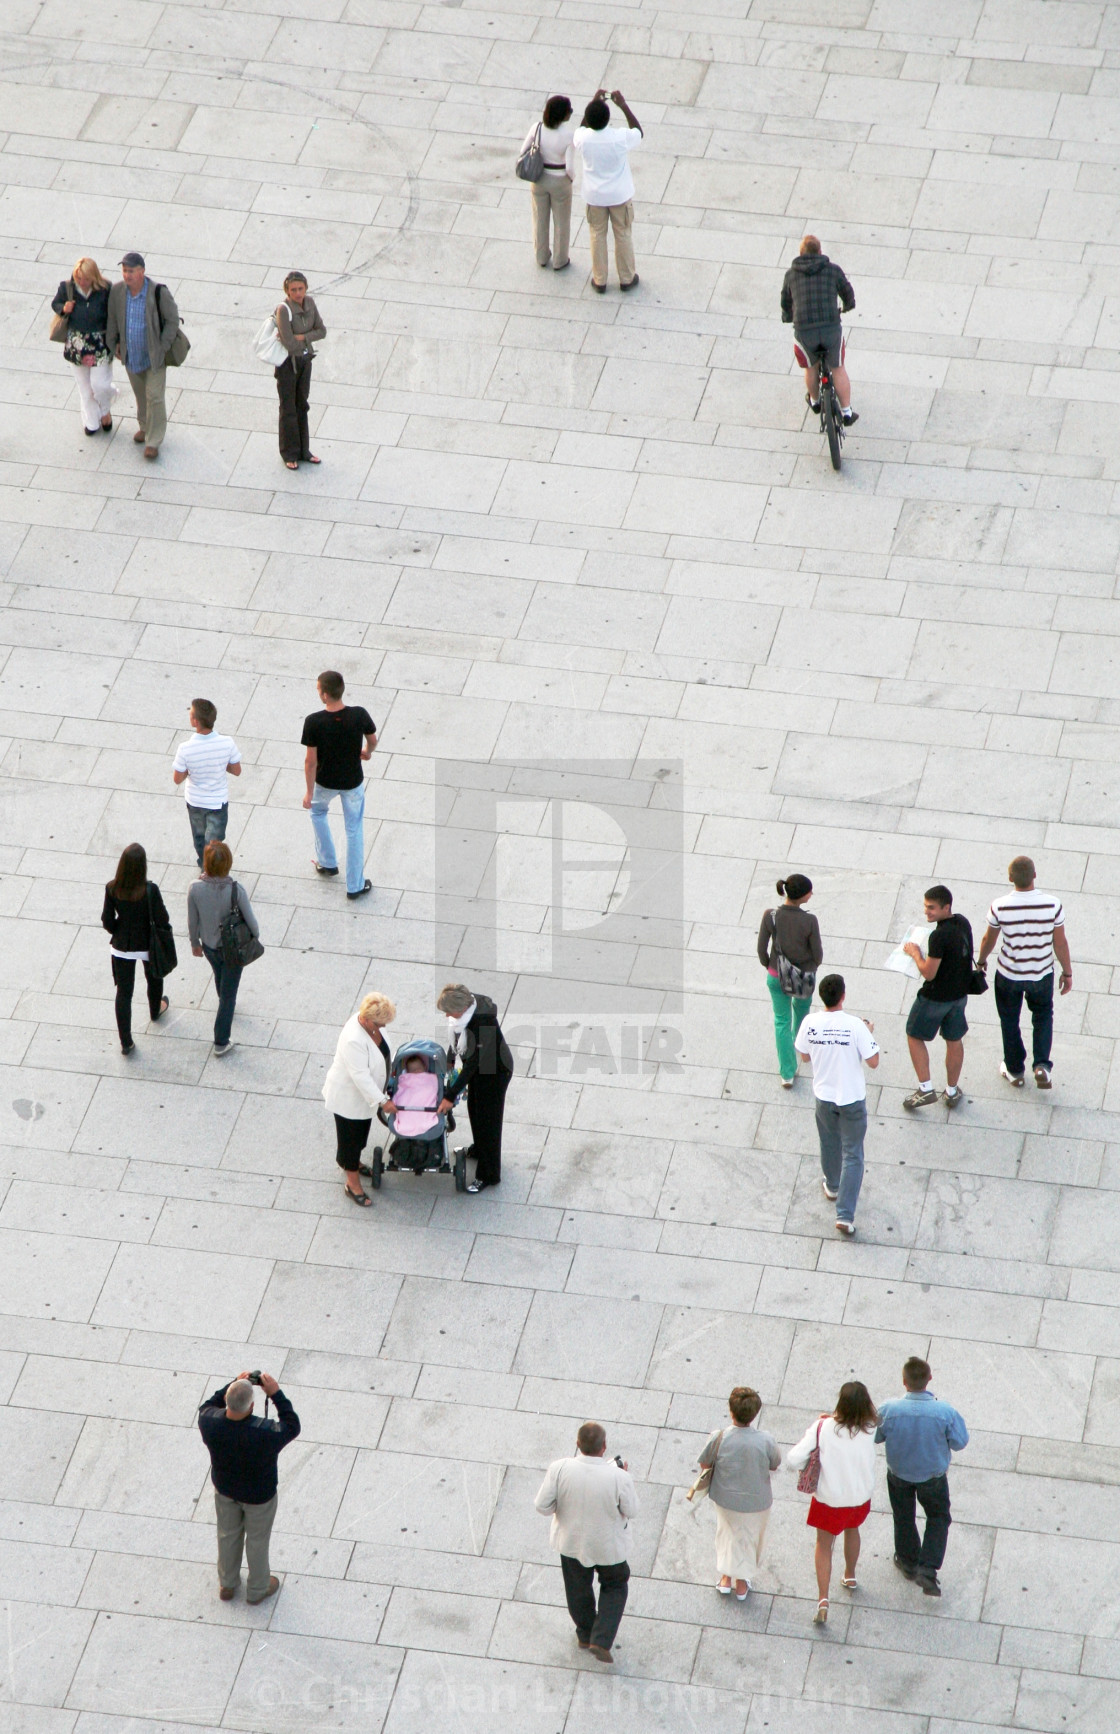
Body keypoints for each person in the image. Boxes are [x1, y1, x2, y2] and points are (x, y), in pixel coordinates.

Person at [534, 1421, 638, 1664]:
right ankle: (601, 1639)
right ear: (604, 1447)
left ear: (578, 1444)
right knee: (615, 1584)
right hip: (608, 1545)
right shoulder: (618, 1476)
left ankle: (584, 1633)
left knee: (577, 1588)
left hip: (571, 1543)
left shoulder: (559, 1468)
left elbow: (542, 1505)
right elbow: (631, 1510)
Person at [197, 1372, 300, 1605]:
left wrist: (233, 1383)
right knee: (257, 1540)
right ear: (252, 1405)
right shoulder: (265, 1433)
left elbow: (207, 1405)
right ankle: (257, 1589)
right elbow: (292, 1425)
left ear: (226, 1401)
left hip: (225, 1489)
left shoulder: (209, 1422)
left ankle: (227, 1583)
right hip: (259, 1496)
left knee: (227, 1534)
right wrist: (275, 1393)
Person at [875, 1356, 969, 1599]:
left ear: (904, 1381)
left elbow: (874, 1436)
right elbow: (960, 1442)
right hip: (933, 1477)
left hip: (899, 1475)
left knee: (903, 1517)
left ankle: (907, 1562)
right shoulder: (945, 1412)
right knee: (938, 1518)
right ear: (929, 1378)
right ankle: (928, 1568)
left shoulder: (889, 1410)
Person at [794, 973, 879, 1236]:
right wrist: (868, 1032)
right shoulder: (856, 1026)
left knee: (829, 1143)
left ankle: (832, 1185)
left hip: (824, 1097)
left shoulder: (810, 1022)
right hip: (852, 1100)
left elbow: (805, 1057)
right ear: (843, 996)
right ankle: (844, 1215)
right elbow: (874, 1061)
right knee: (853, 1153)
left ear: (822, 997)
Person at [786, 1381, 877, 1626]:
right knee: (852, 1530)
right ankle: (850, 1575)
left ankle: (823, 1600)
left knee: (823, 1545)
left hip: (829, 1499)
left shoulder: (823, 1427)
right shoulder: (871, 1428)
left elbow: (793, 1459)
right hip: (859, 1498)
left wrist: (824, 1423)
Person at [977, 856, 1072, 1090]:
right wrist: (1067, 973)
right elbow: (1059, 943)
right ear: (1035, 875)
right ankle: (1041, 1065)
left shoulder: (999, 906)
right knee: (1042, 1016)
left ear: (1010, 878)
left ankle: (1015, 1070)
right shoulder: (1052, 904)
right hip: (1041, 974)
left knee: (1009, 1020)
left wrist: (980, 962)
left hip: (1009, 974)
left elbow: (989, 938)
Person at [697, 1387, 781, 1600]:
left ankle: (725, 1579)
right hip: (757, 1500)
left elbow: (705, 1463)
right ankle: (741, 1583)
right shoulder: (765, 1440)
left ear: (731, 1410)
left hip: (725, 1498)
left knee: (727, 1534)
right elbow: (775, 1464)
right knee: (750, 1539)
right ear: (754, 1414)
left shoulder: (719, 1437)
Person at [301, 670, 376, 900]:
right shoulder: (359, 715)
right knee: (354, 830)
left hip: (325, 782)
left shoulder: (314, 722)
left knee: (318, 812)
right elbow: (372, 739)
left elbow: (310, 761)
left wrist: (309, 791)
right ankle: (355, 886)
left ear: (324, 695)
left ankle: (327, 863)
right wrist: (367, 753)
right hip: (352, 782)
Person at [901, 885, 973, 1110]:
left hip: (935, 998)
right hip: (959, 996)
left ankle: (925, 1089)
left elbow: (928, 972)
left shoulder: (938, 936)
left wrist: (915, 954)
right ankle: (951, 1092)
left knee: (914, 1035)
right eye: (925, 907)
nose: (926, 912)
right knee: (954, 1040)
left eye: (931, 908)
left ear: (946, 907)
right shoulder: (963, 922)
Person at [436, 983, 513, 1194]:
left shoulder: (483, 1022)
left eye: (448, 1012)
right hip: (481, 1069)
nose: (446, 1016)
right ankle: (479, 1149)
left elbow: (473, 1064)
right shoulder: (466, 1009)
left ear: (460, 1009)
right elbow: (457, 1040)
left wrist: (450, 1095)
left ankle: (489, 1174)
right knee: (475, 1110)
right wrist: (451, 1059)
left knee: (489, 1122)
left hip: (494, 1072)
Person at [321, 992, 395, 1207]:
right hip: (349, 1099)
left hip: (364, 1099)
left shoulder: (371, 1024)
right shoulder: (354, 1038)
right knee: (350, 1141)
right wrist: (383, 1101)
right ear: (367, 1019)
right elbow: (360, 1077)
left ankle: (350, 1162)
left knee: (360, 1137)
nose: (383, 1026)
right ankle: (352, 1184)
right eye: (381, 1023)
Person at [104, 252, 180, 460]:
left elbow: (173, 320)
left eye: (131, 271)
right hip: (131, 355)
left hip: (154, 357)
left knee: (154, 396)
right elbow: (112, 319)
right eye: (124, 271)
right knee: (140, 395)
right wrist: (113, 344)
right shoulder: (118, 291)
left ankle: (153, 441)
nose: (127, 275)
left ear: (142, 271)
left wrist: (163, 346)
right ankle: (145, 426)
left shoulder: (157, 292)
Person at [187, 841, 259, 1056]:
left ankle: (224, 1001)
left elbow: (192, 921)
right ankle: (221, 1041)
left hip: (209, 946)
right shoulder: (236, 890)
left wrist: (194, 943)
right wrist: (253, 937)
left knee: (220, 975)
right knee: (229, 995)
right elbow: (254, 926)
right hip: (233, 949)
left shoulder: (195, 888)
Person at [101, 843, 172, 1055]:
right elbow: (163, 917)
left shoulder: (112, 888)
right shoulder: (150, 890)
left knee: (124, 993)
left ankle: (126, 1042)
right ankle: (155, 1010)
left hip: (122, 946)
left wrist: (118, 930)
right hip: (148, 944)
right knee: (154, 978)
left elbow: (107, 920)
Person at [780, 236, 857, 425]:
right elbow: (848, 293)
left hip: (805, 331)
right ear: (820, 252)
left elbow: (785, 302)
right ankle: (846, 412)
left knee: (810, 368)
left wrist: (788, 317)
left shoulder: (791, 275)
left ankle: (815, 401)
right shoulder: (833, 270)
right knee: (838, 368)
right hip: (830, 328)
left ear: (800, 253)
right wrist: (847, 306)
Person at [573, 89, 642, 293]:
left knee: (597, 235)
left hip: (594, 196)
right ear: (608, 118)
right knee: (622, 234)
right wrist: (623, 105)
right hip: (619, 195)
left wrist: (593, 102)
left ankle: (600, 279)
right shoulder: (619, 138)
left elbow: (580, 128)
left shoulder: (584, 138)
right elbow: (638, 131)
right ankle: (627, 277)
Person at [757, 874, 822, 1088]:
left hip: (776, 977)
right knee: (802, 1011)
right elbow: (818, 955)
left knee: (781, 1021)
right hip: (803, 978)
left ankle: (787, 1073)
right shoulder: (809, 920)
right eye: (810, 891)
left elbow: (761, 949)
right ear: (803, 896)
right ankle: (800, 1043)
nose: (811, 894)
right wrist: (809, 968)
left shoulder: (771, 916)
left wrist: (771, 966)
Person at [172, 698, 242, 869]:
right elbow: (237, 770)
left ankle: (206, 868)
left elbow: (177, 779)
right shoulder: (227, 743)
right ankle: (210, 868)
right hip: (218, 803)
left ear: (195, 721)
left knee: (199, 840)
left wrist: (190, 769)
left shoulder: (185, 749)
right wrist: (219, 762)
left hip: (195, 802)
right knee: (214, 843)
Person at [51, 257, 116, 436]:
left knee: (100, 385)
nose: (82, 282)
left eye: (86, 278)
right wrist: (64, 308)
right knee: (85, 388)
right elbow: (55, 304)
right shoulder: (67, 288)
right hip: (77, 344)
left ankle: (104, 409)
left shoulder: (105, 289)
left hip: (100, 344)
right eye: (79, 277)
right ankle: (91, 422)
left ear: (94, 276)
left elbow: (114, 314)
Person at [275, 271, 325, 470]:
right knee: (288, 408)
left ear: (306, 288)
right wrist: (303, 340)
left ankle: (304, 451)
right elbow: (287, 342)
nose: (297, 293)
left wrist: (301, 337)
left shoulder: (310, 303)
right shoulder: (283, 310)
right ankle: (289, 452)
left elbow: (322, 331)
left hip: (305, 361)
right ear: (287, 290)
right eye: (293, 290)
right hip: (288, 364)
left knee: (302, 405)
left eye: (300, 289)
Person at [524, 96, 576, 270]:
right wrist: (571, 179)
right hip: (560, 180)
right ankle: (560, 259)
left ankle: (541, 256)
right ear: (563, 115)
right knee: (562, 222)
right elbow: (569, 167)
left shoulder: (537, 128)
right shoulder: (569, 135)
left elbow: (523, 150)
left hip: (539, 179)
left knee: (539, 218)